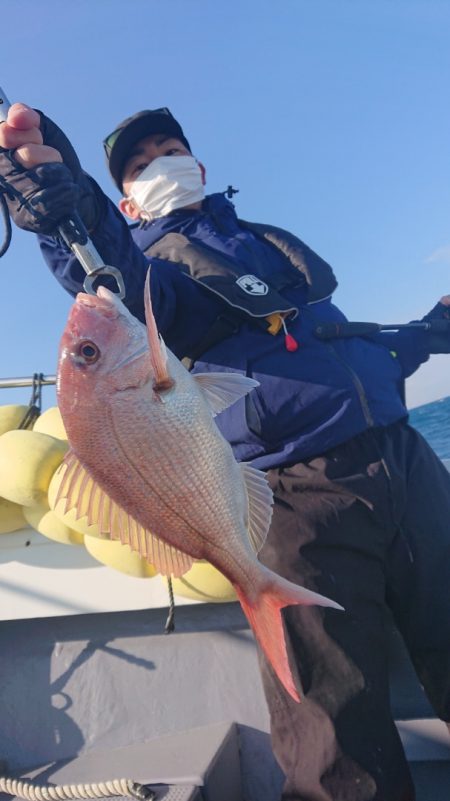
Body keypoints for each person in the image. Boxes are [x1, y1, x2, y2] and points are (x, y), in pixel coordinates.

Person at [1, 102, 450, 801]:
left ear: (200, 166)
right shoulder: (153, 271)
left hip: (406, 459)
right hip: (296, 499)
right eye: (140, 165)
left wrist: (429, 330)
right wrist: (70, 202)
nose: (160, 164)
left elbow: (338, 353)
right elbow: (110, 271)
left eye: (169, 149)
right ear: (127, 201)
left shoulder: (264, 245)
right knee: (334, 731)